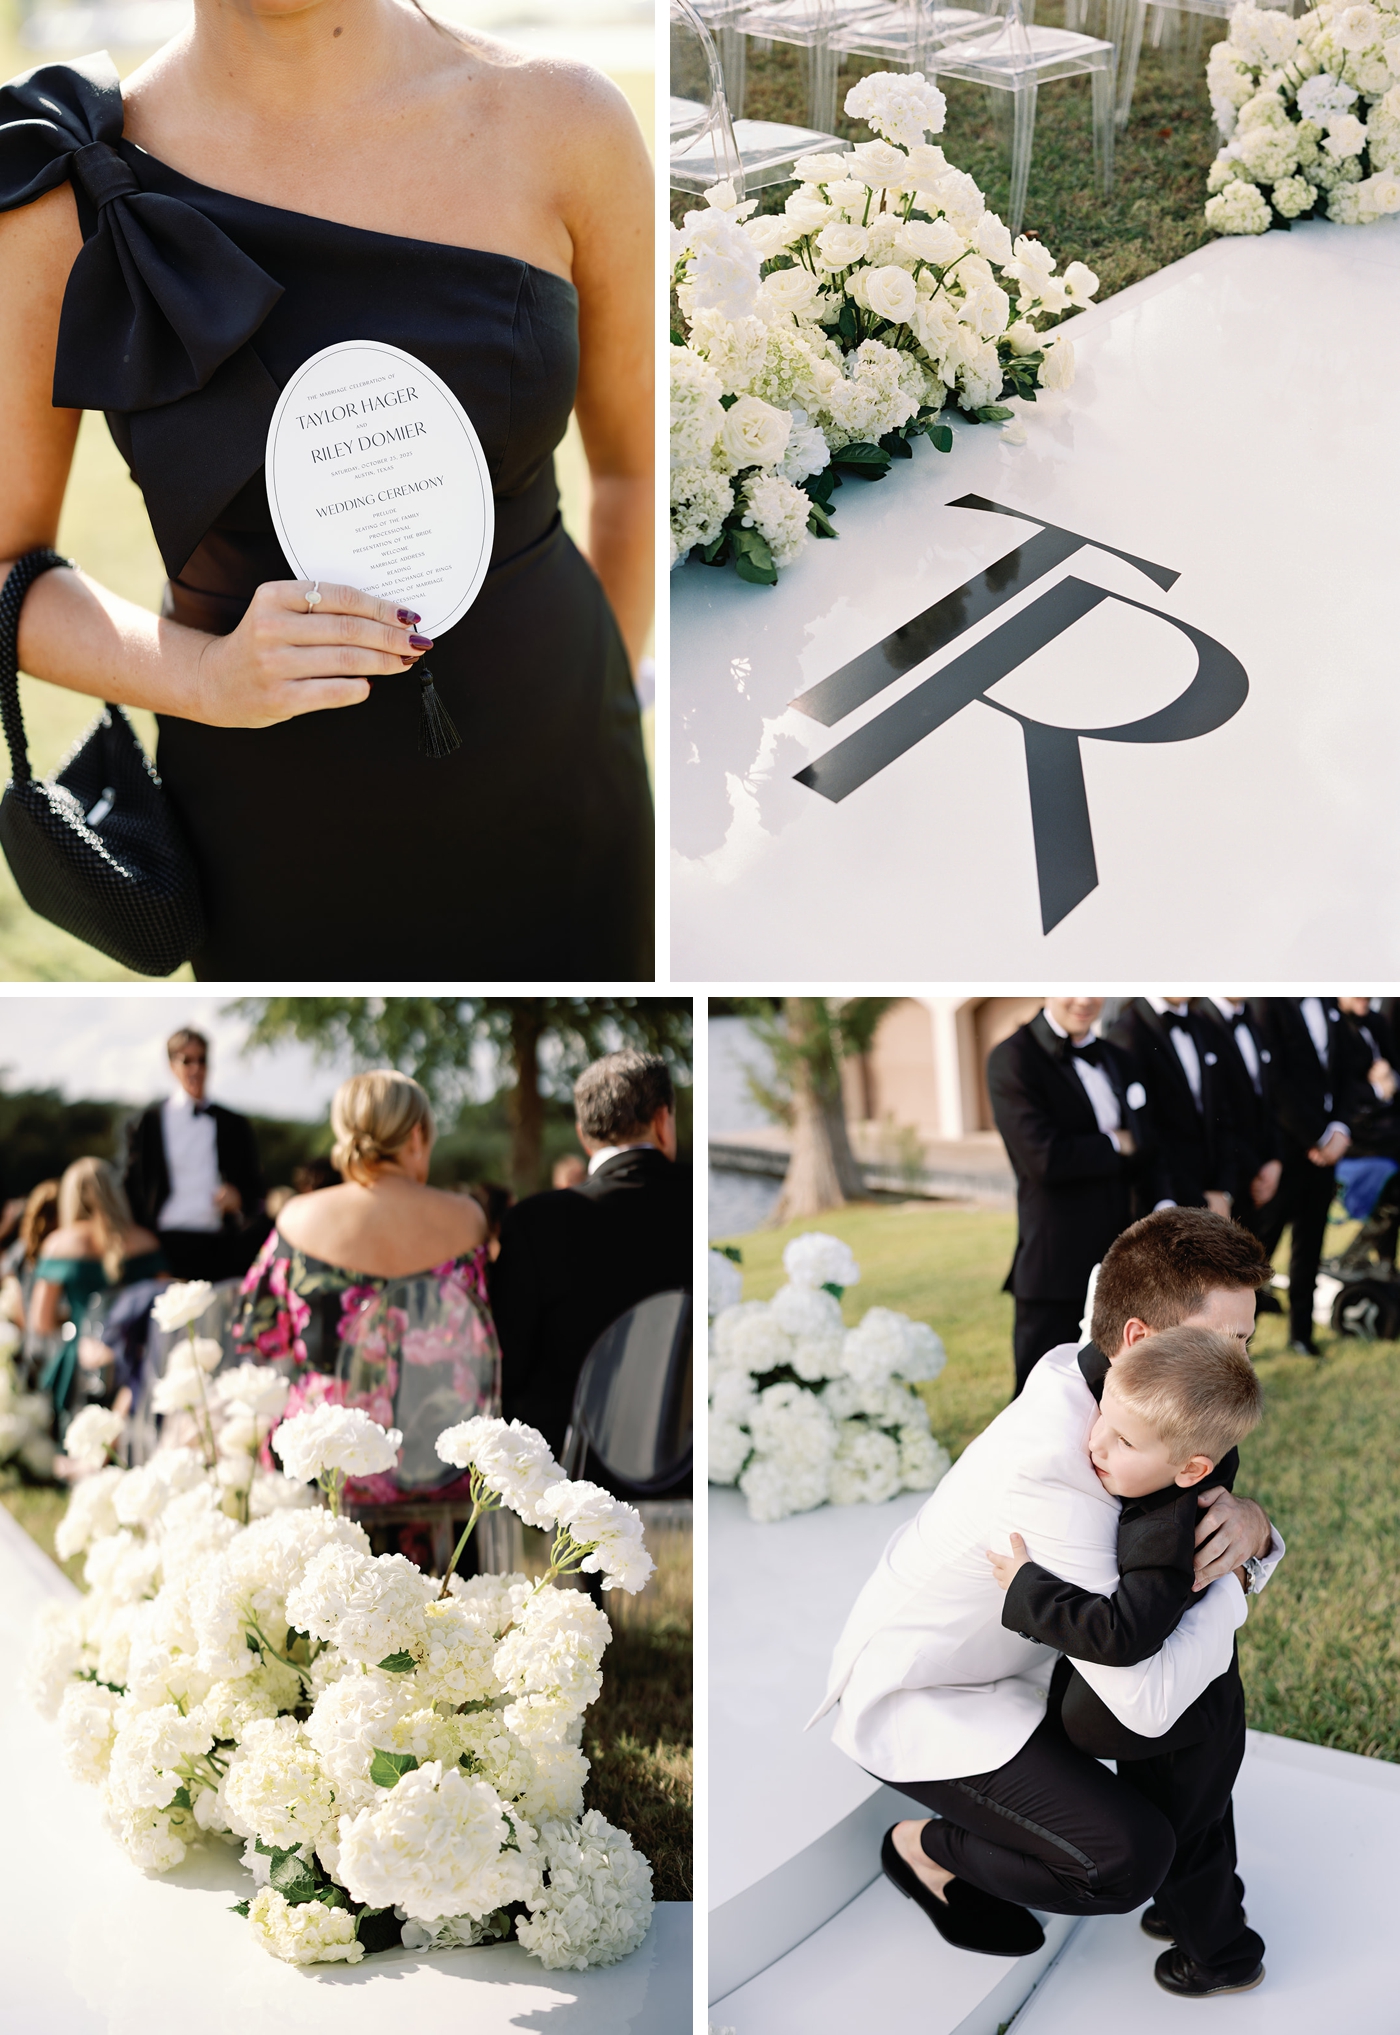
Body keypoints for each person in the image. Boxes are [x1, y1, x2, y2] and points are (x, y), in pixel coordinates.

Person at [0, 5, 653, 979]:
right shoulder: (64, 180)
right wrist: (204, 680)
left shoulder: (567, 123)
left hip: (566, 782)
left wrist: (600, 687)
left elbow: (633, 472)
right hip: (268, 834)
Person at [812, 1209, 1282, 1999]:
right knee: (1125, 1856)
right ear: (1137, 1339)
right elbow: (1149, 1694)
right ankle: (925, 1846)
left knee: (1202, 1686)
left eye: (1246, 1344)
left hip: (1035, 1656)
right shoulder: (1058, 1469)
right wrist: (1240, 1578)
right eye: (1226, 1342)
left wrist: (1257, 1526)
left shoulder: (1134, 1396)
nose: (1240, 1365)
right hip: (930, 1694)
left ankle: (1202, 1912)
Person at [988, 1325, 1266, 1996]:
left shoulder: (1164, 1533)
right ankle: (1182, 1911)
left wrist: (1028, 1586)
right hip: (1196, 1713)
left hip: (1184, 1727)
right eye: (1102, 1421)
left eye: (1124, 1441)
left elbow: (1122, 1635)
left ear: (1191, 1468)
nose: (1095, 1444)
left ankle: (1222, 1956)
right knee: (1199, 1821)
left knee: (1190, 1841)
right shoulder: (1190, 1470)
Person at [490, 1049, 691, 1458]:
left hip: (574, 1477)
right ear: (662, 1121)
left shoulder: (533, 1223)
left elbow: (507, 1369)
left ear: (584, 1135)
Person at [237, 1069, 492, 1382]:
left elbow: (263, 1337)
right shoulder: (467, 1219)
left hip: (325, 1429)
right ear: (415, 1136)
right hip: (442, 1430)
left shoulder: (296, 1219)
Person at [987, 997, 1166, 1396]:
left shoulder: (1117, 1057)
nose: (1085, 1000)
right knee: (1040, 1400)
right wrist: (1115, 1143)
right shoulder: (1012, 1058)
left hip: (1119, 1261)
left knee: (1115, 1395)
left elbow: (1148, 1142)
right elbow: (1044, 1159)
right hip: (1055, 1264)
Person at [1248, 999, 1368, 1356]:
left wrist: (1340, 1129)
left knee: (1310, 1244)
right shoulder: (1269, 1006)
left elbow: (1347, 1069)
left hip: (1327, 1148)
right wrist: (1315, 1136)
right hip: (1286, 1150)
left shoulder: (1330, 1003)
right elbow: (1276, 1081)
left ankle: (1301, 1334)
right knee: (1259, 1248)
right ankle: (1238, 1341)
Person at [28, 1157, 167, 1430]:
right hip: (133, 1362)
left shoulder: (59, 1245)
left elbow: (40, 1322)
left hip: (78, 1361)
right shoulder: (147, 1242)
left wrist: (73, 1321)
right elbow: (163, 1308)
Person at [123, 1028, 265, 1282]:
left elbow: (256, 1185)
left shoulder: (234, 1123)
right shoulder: (147, 1122)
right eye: (187, 1060)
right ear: (171, 1065)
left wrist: (239, 1197)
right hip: (165, 1244)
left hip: (221, 1243)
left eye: (202, 1060)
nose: (196, 1068)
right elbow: (131, 1184)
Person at [1107, 999, 1233, 1217]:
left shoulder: (1203, 1024)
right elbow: (1144, 1133)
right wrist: (1198, 1199)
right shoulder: (1127, 1032)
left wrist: (1224, 1189)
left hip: (1218, 1197)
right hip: (1167, 1202)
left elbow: (1222, 1110)